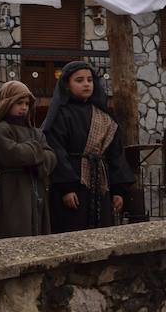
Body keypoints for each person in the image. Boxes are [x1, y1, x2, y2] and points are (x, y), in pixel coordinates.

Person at [44, 62, 135, 232]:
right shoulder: (61, 115)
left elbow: (116, 155)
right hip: (73, 189)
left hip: (101, 187)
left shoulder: (105, 118)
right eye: (79, 80)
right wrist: (67, 188)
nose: (86, 84)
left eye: (89, 80)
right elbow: (56, 151)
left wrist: (118, 190)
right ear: (67, 85)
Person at [0, 81, 57, 240]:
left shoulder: (36, 132)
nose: (24, 107)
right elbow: (12, 153)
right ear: (7, 103)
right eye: (19, 103)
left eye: (27, 103)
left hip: (36, 186)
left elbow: (52, 157)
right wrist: (37, 150)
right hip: (12, 189)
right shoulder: (0, 129)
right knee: (13, 233)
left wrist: (34, 157)